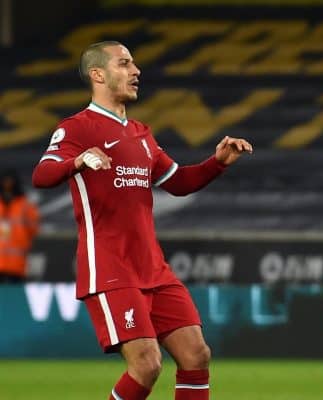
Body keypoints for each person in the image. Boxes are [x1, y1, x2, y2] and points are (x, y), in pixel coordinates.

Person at [32, 41, 252, 400]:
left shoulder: (141, 133)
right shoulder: (77, 128)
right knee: (147, 364)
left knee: (196, 355)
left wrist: (217, 164)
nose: (136, 71)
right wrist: (77, 161)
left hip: (152, 267)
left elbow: (179, 182)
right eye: (124, 64)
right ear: (98, 74)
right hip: (110, 266)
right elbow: (42, 174)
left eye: (134, 64)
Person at [0, 168, 39, 283]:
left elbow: (34, 229)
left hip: (16, 264)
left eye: (10, 181)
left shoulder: (25, 206)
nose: (8, 185)